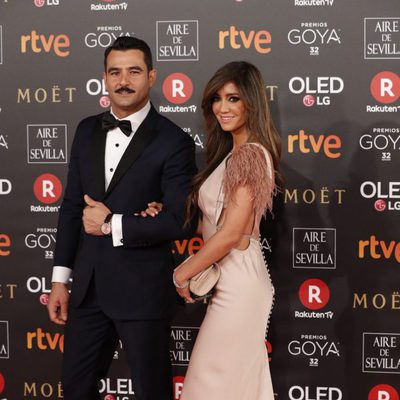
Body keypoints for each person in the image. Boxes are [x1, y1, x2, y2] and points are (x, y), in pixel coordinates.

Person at [46, 36, 197, 400]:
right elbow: (70, 209)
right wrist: (60, 280)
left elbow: (179, 220)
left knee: (152, 391)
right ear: (105, 77)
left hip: (142, 290)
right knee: (76, 389)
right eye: (115, 72)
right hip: (88, 289)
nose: (123, 80)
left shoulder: (174, 141)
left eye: (133, 71)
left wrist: (113, 223)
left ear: (152, 76)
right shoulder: (85, 130)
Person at [174, 61, 281, 399]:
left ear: (251, 101)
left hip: (240, 286)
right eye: (217, 99)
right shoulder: (233, 153)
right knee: (227, 386)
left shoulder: (249, 155)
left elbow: (233, 232)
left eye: (233, 98)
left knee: (210, 385)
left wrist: (182, 273)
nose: (222, 107)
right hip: (231, 281)